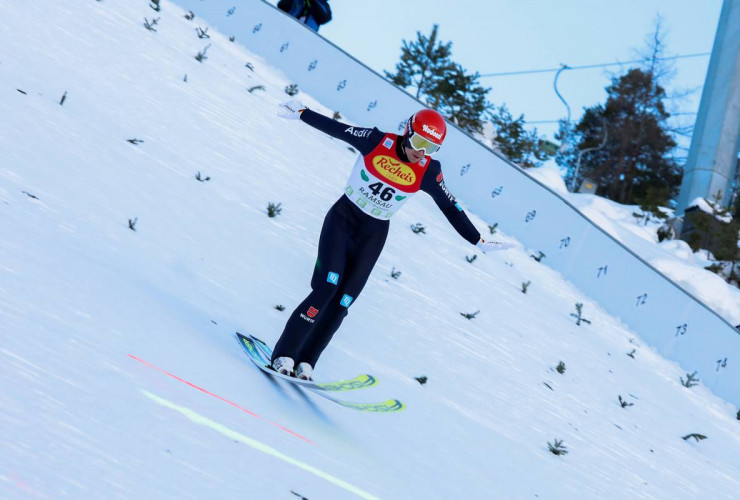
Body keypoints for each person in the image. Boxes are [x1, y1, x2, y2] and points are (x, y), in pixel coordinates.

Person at [270, 100, 514, 380]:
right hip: (343, 220)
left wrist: (478, 241)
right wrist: (303, 114)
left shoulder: (429, 171)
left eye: (430, 148)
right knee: (327, 287)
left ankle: (307, 361)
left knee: (344, 301)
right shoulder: (376, 141)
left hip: (373, 235)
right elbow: (339, 129)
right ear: (408, 131)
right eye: (419, 142)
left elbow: (450, 206)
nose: (420, 152)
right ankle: (284, 354)